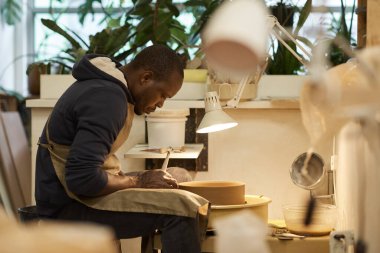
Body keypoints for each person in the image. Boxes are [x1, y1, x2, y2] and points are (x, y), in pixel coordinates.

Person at [35, 45, 205, 253]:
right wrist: (139, 180)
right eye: (162, 95)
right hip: (67, 207)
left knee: (178, 178)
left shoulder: (108, 88)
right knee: (183, 210)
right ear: (145, 78)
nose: (161, 104)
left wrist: (142, 178)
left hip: (74, 195)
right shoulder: (108, 98)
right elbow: (82, 180)